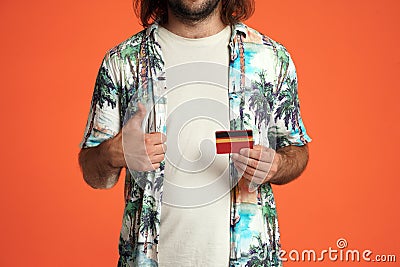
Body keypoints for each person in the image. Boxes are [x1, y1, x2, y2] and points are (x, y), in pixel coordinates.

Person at [78, 0, 311, 266]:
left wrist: (278, 165)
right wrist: (112, 154)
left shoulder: (271, 59)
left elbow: (297, 149)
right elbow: (92, 172)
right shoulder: (122, 61)